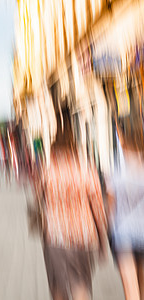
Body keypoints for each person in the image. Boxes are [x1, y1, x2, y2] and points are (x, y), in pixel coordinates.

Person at [41, 106, 108, 300]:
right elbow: (97, 207)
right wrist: (102, 239)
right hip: (84, 235)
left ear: (53, 147)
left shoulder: (47, 172)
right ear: (74, 146)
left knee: (58, 286)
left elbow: (40, 203)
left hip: (55, 237)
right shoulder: (87, 169)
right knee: (80, 285)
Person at [106, 121, 144, 300]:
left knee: (131, 291)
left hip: (123, 235)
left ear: (124, 142)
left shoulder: (116, 170)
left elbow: (110, 208)